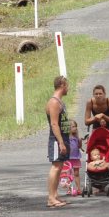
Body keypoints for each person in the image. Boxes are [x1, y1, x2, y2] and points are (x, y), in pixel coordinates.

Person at [45, 75, 71, 208]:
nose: (68, 88)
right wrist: (60, 142)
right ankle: (50, 198)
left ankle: (55, 195)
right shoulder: (54, 102)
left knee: (60, 166)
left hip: (63, 138)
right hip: (56, 139)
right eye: (67, 85)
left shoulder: (60, 102)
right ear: (62, 85)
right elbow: (54, 124)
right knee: (55, 166)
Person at [66, 119, 82, 195]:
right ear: (68, 128)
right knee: (68, 175)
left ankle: (79, 188)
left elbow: (79, 147)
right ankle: (69, 189)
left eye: (75, 126)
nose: (75, 128)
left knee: (76, 174)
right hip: (68, 159)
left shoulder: (76, 137)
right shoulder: (66, 138)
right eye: (73, 127)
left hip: (76, 158)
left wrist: (80, 141)